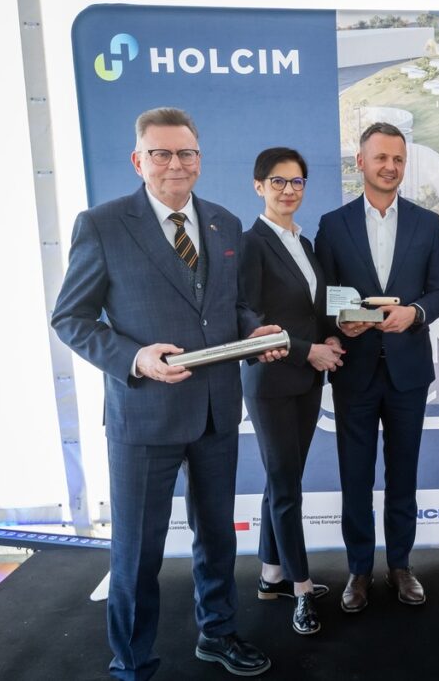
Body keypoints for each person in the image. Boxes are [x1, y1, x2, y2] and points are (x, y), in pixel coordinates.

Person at [51, 107, 283, 679]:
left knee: (217, 540)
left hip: (214, 411)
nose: (175, 164)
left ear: (200, 161)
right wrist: (134, 358)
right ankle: (132, 661)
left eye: (185, 153)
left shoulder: (226, 225)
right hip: (143, 416)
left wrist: (252, 331)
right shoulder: (102, 224)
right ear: (139, 160)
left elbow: (231, 307)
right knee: (136, 555)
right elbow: (72, 318)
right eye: (161, 153)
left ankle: (219, 633)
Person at [314, 122, 439, 613]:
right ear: (360, 163)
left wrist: (415, 313)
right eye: (380, 158)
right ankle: (357, 571)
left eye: (398, 159)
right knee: (355, 477)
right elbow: (323, 296)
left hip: (409, 371)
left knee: (403, 475)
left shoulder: (428, 224)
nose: (390, 167)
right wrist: (339, 324)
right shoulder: (333, 224)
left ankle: (400, 566)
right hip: (355, 370)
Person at [239, 147, 345, 635]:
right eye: (278, 182)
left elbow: (312, 308)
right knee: (286, 488)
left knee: (284, 479)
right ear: (259, 186)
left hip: (305, 377)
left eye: (297, 182)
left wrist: (332, 336)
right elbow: (251, 320)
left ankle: (271, 574)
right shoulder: (250, 244)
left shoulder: (304, 243)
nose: (288, 191)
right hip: (273, 380)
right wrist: (308, 350)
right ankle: (301, 590)